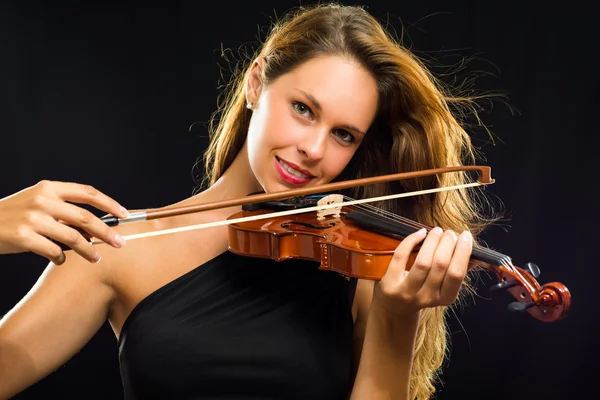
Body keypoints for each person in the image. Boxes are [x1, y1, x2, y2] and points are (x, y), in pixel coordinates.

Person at [0, 3, 498, 399]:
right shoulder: (115, 247)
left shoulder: (361, 266)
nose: (314, 149)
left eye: (343, 135)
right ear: (256, 83)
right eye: (303, 109)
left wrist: (398, 315)